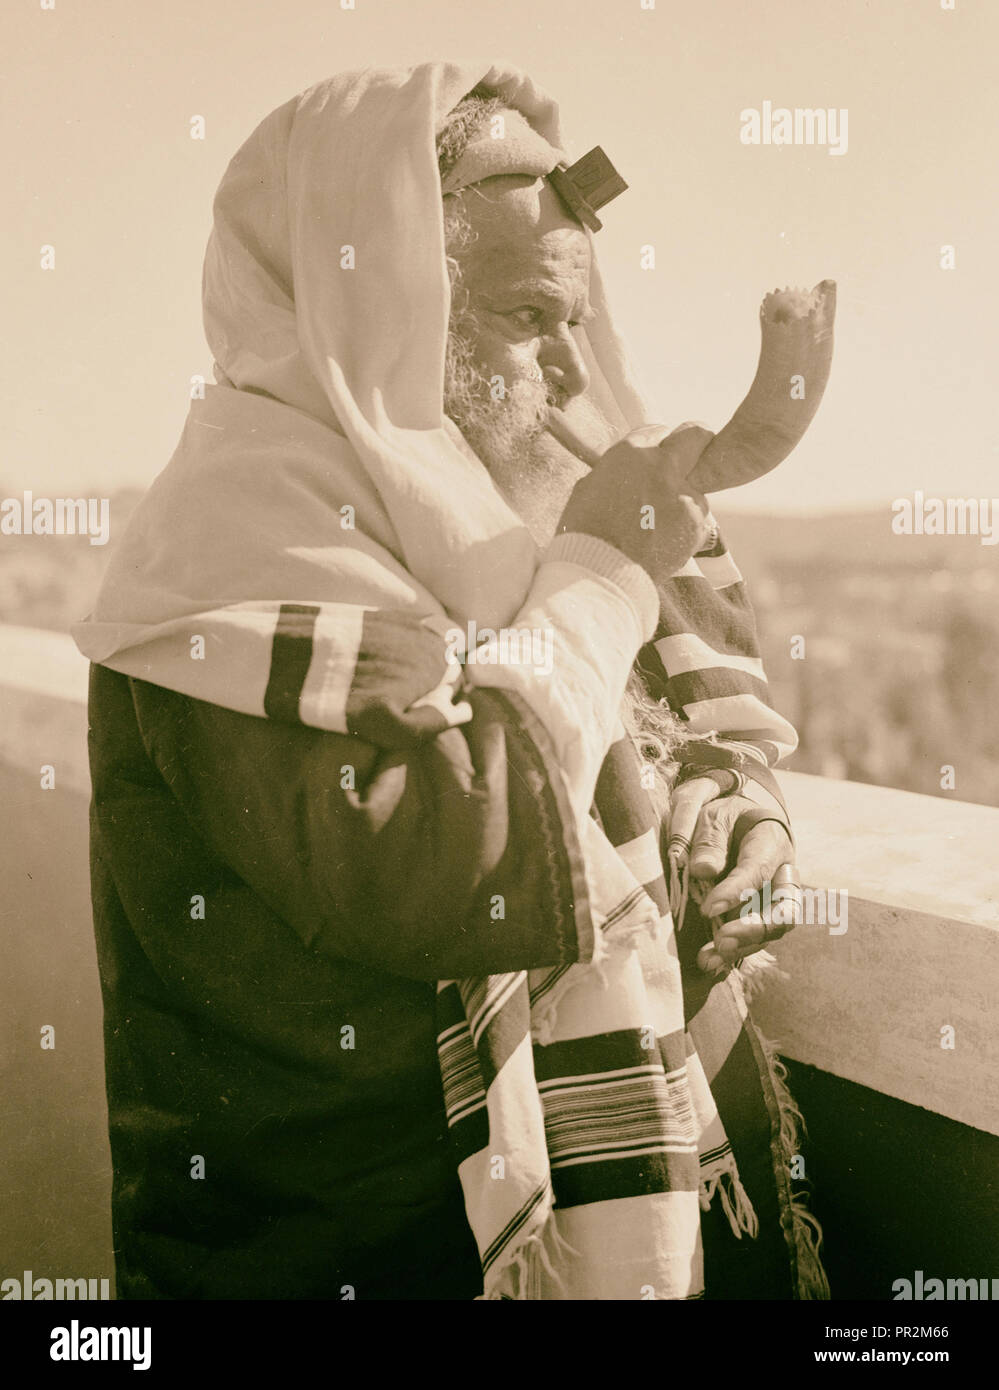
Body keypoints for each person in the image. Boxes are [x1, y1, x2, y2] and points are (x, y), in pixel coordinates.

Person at [73, 62, 827, 1300]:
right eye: (530, 321)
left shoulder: (467, 524)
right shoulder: (229, 555)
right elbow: (455, 857)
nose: (570, 382)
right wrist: (599, 575)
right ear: (381, 312)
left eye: (576, 326)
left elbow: (628, 718)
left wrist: (724, 802)